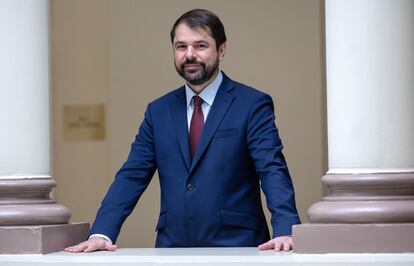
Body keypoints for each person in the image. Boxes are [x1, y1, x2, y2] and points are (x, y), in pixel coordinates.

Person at [65, 8, 300, 253]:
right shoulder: (158, 111)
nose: (190, 55)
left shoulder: (251, 104)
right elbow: (132, 175)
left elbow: (271, 168)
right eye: (181, 46)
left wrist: (285, 228)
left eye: (200, 46)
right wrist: (102, 231)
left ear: (221, 50)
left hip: (238, 247)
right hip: (172, 248)